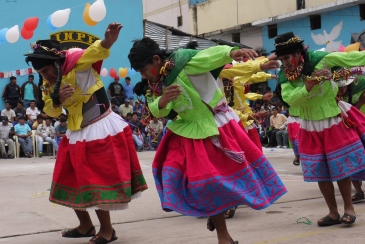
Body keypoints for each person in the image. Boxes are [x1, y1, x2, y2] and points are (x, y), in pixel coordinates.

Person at [128, 37, 286, 244]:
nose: (143, 75)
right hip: (185, 131)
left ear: (156, 59)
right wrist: (163, 101)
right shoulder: (154, 83)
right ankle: (214, 216)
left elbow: (210, 56)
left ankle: (223, 234)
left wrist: (230, 53)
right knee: (175, 175)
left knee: (211, 182)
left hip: (214, 126)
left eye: (144, 69)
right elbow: (155, 108)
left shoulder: (184, 62)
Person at [25, 22, 147, 243]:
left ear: (56, 63)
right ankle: (85, 225)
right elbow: (50, 110)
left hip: (99, 127)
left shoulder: (77, 62)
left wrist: (108, 41)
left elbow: (96, 50)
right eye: (41, 73)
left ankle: (107, 230)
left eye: (46, 70)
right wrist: (57, 99)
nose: (45, 76)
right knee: (68, 177)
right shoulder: (48, 84)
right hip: (76, 132)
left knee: (95, 179)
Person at [275, 32, 365, 226]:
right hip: (308, 126)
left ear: (298, 53)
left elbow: (352, 58)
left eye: (286, 57)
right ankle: (333, 213)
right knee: (320, 171)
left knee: (341, 168)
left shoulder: (320, 60)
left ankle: (348, 208)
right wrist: (308, 85)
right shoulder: (285, 75)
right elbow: (290, 99)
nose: (284, 63)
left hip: (332, 120)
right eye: (281, 59)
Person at [335, 69, 365, 203]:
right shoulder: (332, 94)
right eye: (338, 88)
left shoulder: (360, 86)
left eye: (343, 87)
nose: (341, 91)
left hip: (362, 124)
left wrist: (358, 105)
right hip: (348, 129)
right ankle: (359, 192)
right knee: (351, 160)